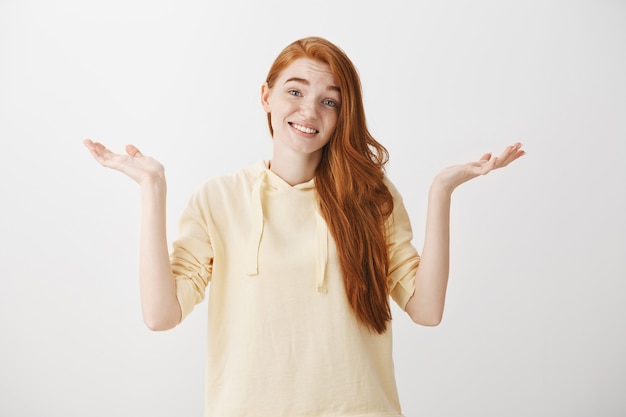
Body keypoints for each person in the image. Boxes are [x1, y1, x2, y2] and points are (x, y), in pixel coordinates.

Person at [84, 36, 524, 417]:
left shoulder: (370, 197)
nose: (309, 110)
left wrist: (441, 192)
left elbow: (426, 310)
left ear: (341, 114)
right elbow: (162, 315)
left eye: (329, 100)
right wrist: (152, 188)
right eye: (295, 92)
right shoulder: (218, 198)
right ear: (266, 96)